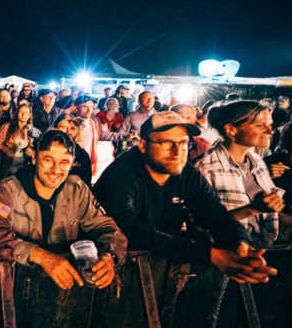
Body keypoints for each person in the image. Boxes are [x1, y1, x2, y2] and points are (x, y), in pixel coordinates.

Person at [94, 111, 277, 284]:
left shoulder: (187, 174)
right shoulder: (121, 175)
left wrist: (239, 242)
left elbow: (216, 215)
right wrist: (210, 255)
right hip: (112, 268)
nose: (177, 151)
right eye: (166, 143)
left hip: (163, 265)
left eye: (183, 143)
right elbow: (130, 230)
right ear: (143, 146)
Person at [0, 130, 126, 289]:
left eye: (64, 162)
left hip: (63, 287)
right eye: (48, 160)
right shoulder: (8, 190)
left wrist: (109, 256)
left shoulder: (76, 188)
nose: (56, 170)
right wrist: (39, 255)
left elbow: (107, 228)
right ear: (35, 158)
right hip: (18, 282)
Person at [194, 101, 283, 245]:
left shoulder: (257, 161)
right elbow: (198, 226)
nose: (270, 131)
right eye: (260, 125)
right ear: (231, 130)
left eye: (270, 125)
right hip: (226, 254)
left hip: (259, 246)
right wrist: (252, 209)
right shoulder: (205, 167)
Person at [0, 102, 41, 188]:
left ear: (29, 116)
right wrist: (5, 145)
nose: (23, 115)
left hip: (23, 164)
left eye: (26, 113)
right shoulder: (7, 127)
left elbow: (38, 147)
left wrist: (32, 152)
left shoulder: (33, 131)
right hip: (6, 162)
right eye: (21, 112)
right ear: (17, 114)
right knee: (2, 186)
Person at [53, 114, 92, 185]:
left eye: (72, 128)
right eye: (64, 127)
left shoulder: (82, 155)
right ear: (55, 129)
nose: (69, 132)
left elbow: (86, 184)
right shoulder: (46, 150)